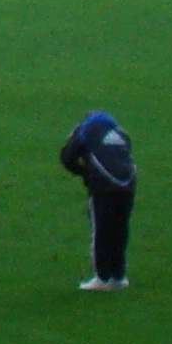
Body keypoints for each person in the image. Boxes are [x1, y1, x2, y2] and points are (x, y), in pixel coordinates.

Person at [59, 109, 136, 290]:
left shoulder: (85, 130)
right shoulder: (120, 133)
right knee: (120, 229)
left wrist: (86, 174)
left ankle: (102, 277)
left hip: (103, 187)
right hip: (128, 184)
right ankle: (118, 276)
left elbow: (67, 157)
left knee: (101, 230)